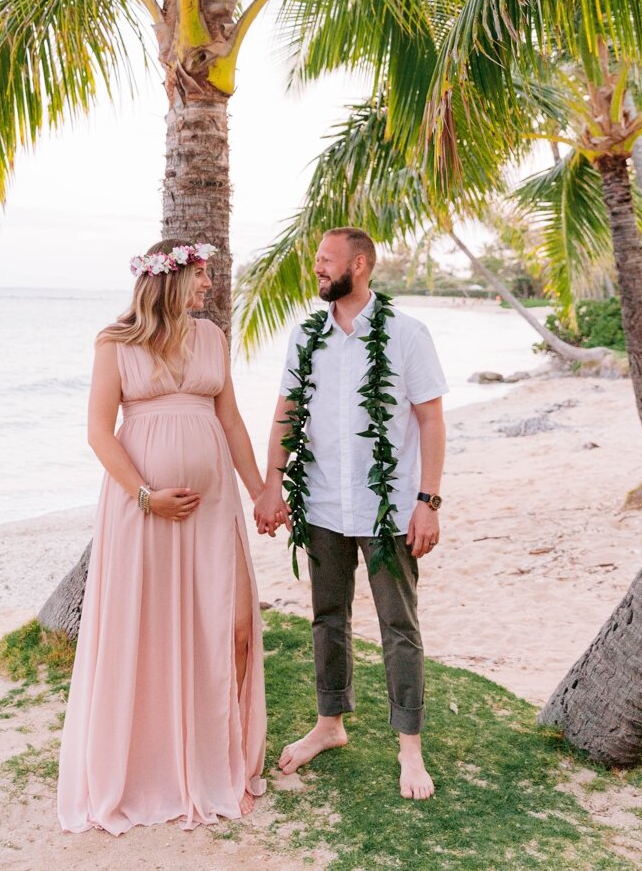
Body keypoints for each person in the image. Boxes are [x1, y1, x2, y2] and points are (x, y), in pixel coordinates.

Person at [58, 239, 268, 833]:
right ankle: (153, 770)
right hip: (142, 511)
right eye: (201, 276)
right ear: (169, 279)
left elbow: (230, 422)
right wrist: (146, 496)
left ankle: (214, 762)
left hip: (211, 509)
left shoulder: (212, 339)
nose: (209, 286)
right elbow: (100, 433)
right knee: (144, 632)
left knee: (232, 626)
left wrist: (259, 493)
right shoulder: (115, 344)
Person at [253, 226, 449, 799]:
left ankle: (409, 749)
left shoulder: (408, 335)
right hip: (320, 502)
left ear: (358, 265)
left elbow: (431, 420)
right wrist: (272, 484)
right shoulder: (305, 336)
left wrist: (427, 502)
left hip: (387, 509)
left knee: (399, 626)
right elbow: (287, 411)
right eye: (316, 260)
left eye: (325, 260)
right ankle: (329, 724)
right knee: (328, 617)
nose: (317, 268)